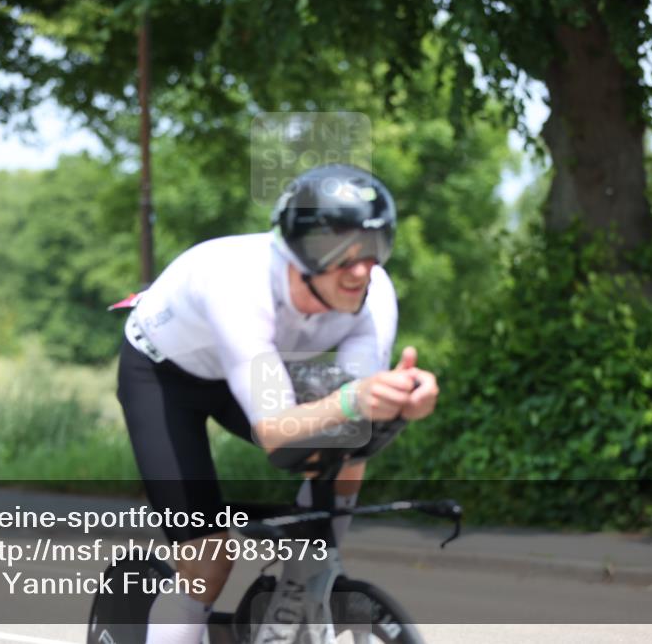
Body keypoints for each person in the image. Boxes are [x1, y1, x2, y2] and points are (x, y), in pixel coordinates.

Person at [116, 164, 439, 644]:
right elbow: (274, 429)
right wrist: (355, 398)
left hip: (254, 366)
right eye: (343, 253)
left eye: (374, 250)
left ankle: (300, 584)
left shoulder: (375, 296)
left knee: (351, 441)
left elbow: (353, 416)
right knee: (208, 559)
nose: (360, 271)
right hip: (164, 376)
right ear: (301, 252)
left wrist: (403, 403)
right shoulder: (239, 285)